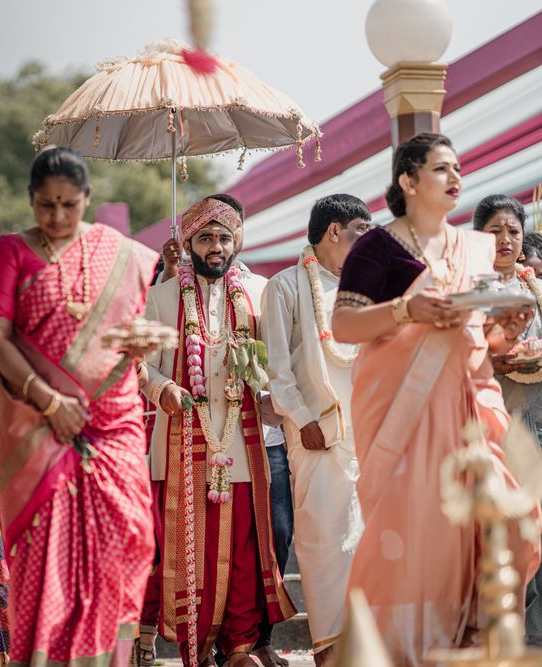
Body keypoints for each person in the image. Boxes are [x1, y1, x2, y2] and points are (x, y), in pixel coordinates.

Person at [331, 133, 541, 665]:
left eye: (459, 169)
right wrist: (406, 310)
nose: (457, 179)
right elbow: (344, 324)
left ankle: (476, 643)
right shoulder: (377, 248)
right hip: (406, 415)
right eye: (443, 169)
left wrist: (505, 333)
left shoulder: (471, 248)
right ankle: (401, 652)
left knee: (515, 526)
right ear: (408, 180)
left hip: (472, 409)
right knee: (418, 542)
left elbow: (474, 338)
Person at [0, 146, 159, 667]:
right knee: (48, 555)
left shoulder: (116, 252)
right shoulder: (10, 251)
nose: (56, 218)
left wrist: (139, 344)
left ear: (88, 199)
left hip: (111, 423)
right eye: (45, 206)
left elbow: (126, 332)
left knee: (130, 537)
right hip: (39, 428)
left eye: (68, 205)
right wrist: (50, 400)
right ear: (31, 201)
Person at [141, 195, 296, 667]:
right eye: (206, 238)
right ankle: (196, 646)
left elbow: (277, 363)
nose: (216, 247)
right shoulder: (162, 297)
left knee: (245, 549)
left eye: (224, 238)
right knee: (190, 550)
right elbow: (138, 365)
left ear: (237, 242)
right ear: (188, 242)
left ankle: (241, 646)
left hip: (242, 445)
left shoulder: (259, 293)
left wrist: (273, 398)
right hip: (180, 442)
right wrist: (163, 386)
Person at [259, 194, 372, 664]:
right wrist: (302, 421)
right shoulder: (285, 286)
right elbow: (277, 370)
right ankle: (329, 648)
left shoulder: (366, 287)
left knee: (367, 542)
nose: (370, 241)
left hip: (368, 430)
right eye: (362, 230)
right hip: (316, 434)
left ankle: (364, 646)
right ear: (334, 231)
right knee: (325, 541)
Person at [472, 194, 542, 647]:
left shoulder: (535, 286)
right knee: (510, 531)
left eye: (513, 231)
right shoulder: (467, 288)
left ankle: (534, 637)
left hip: (538, 415)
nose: (505, 239)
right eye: (495, 230)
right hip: (495, 424)